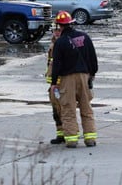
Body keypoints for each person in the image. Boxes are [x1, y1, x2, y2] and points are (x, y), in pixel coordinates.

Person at [50, 10, 98, 148]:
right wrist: (92, 74)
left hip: (67, 78)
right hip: (84, 75)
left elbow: (57, 64)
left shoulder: (60, 42)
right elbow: (92, 58)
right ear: (71, 23)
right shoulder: (84, 37)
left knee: (68, 108)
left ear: (59, 25)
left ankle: (71, 139)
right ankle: (90, 138)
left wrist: (54, 83)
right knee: (86, 107)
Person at [45, 25, 64, 144]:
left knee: (64, 110)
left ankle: (68, 133)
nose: (56, 33)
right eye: (54, 30)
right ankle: (60, 134)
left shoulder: (62, 45)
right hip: (53, 85)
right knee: (56, 112)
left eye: (58, 30)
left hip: (62, 84)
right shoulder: (53, 45)